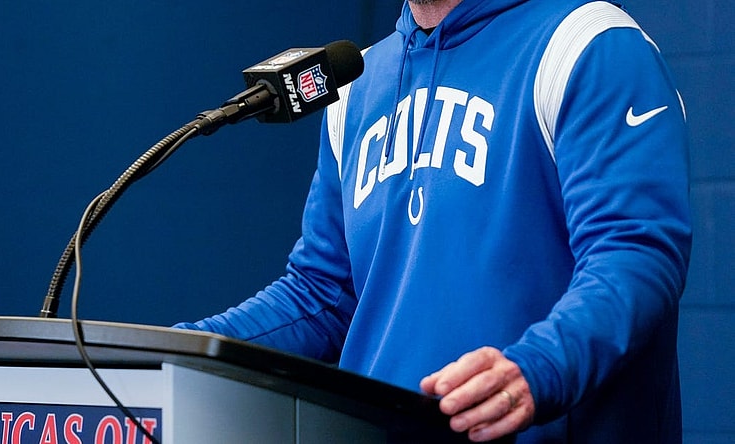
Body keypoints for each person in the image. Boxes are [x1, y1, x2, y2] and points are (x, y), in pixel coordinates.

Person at [175, 0, 692, 442]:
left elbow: (632, 254)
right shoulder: (359, 82)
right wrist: (171, 352)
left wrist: (539, 368)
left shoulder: (588, 44)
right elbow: (322, 294)